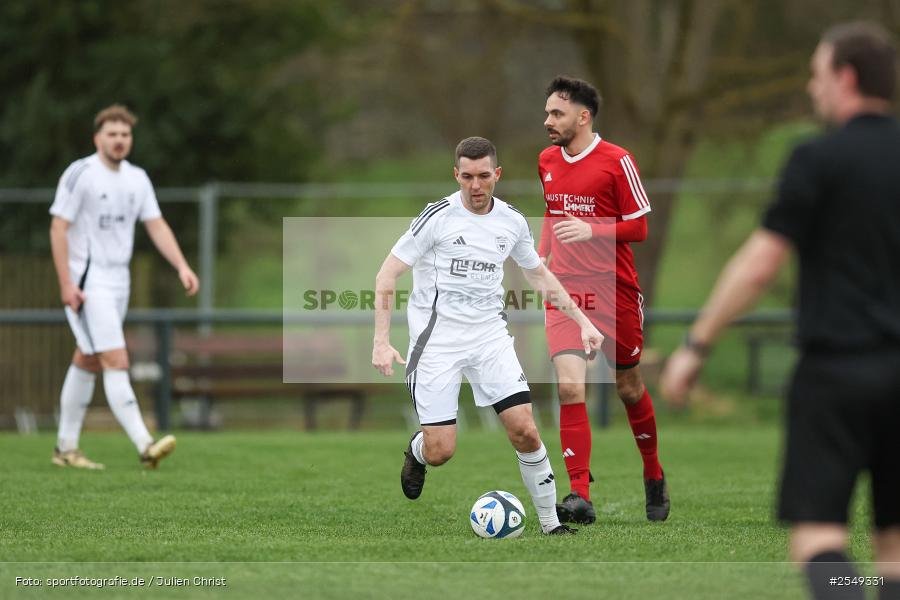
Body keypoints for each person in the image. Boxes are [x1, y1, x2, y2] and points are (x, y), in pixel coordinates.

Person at [660, 22, 900, 600]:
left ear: (845, 77)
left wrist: (696, 346)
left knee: (818, 540)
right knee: (893, 552)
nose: (811, 88)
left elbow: (761, 263)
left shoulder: (817, 158)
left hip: (834, 372)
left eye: (817, 75)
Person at [372, 136, 604, 535]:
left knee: (525, 428)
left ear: (497, 174)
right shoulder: (437, 218)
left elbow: (538, 274)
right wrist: (380, 340)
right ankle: (418, 451)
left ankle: (551, 525)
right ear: (456, 175)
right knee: (441, 450)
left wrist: (583, 321)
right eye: (466, 177)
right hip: (437, 344)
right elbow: (387, 274)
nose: (475, 186)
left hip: (489, 340)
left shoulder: (511, 221)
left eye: (483, 176)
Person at [537, 76, 669, 525]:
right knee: (571, 386)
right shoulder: (547, 160)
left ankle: (653, 473)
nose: (548, 121)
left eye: (557, 113)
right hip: (567, 290)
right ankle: (579, 495)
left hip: (616, 292)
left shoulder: (618, 161)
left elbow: (639, 228)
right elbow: (553, 213)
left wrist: (593, 228)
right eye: (548, 112)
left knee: (628, 388)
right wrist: (540, 258)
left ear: (583, 116)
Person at [49, 104, 199, 470]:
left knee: (87, 358)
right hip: (89, 281)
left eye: (125, 134)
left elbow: (157, 225)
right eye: (112, 134)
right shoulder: (80, 173)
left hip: (120, 280)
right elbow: (58, 227)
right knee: (116, 359)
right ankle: (145, 443)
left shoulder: (137, 179)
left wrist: (181, 265)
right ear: (97, 138)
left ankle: (65, 449)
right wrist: (67, 283)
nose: (119, 141)